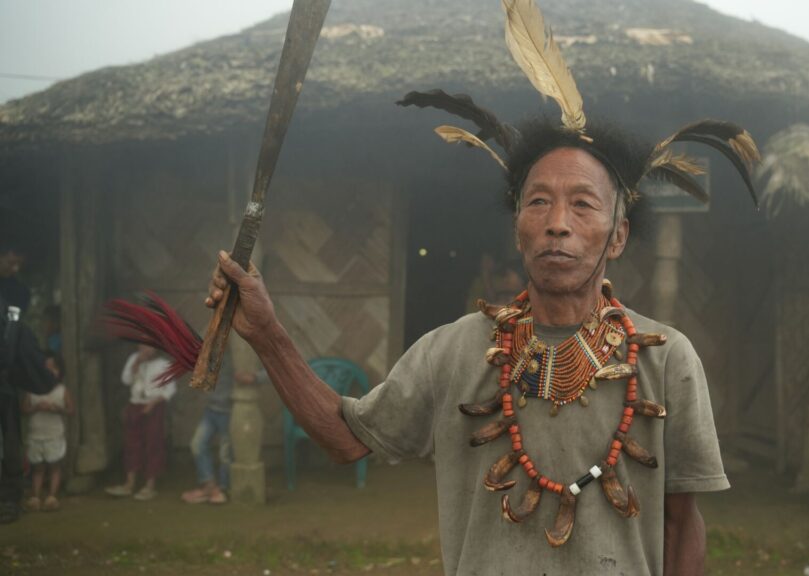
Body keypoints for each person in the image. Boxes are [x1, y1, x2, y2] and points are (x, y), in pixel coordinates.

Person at [202, 2, 757, 573]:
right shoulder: (454, 352)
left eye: (583, 204)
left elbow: (682, 521)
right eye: (538, 201)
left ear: (618, 236)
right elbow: (347, 439)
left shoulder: (666, 361)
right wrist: (267, 335)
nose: (557, 222)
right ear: (518, 230)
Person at [0, 241, 56, 524]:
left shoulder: (17, 293)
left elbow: (18, 335)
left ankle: (10, 502)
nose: (15, 268)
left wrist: (39, 365)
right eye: (11, 261)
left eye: (19, 264)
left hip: (5, 382)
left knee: (11, 445)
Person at [180, 353, 260, 506]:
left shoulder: (241, 355)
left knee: (226, 454)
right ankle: (209, 485)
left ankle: (223, 489)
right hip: (211, 410)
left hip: (231, 411)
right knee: (197, 444)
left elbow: (268, 372)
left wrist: (254, 378)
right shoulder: (212, 352)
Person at [105, 344, 176, 501]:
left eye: (149, 345)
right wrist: (137, 363)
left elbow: (170, 390)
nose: (145, 349)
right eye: (142, 345)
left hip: (154, 406)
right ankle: (129, 483)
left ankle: (149, 485)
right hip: (135, 405)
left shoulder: (164, 365)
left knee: (153, 443)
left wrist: (153, 403)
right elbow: (126, 380)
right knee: (132, 443)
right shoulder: (133, 359)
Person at [22, 352, 74, 511]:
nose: (51, 371)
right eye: (47, 368)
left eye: (54, 368)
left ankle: (52, 496)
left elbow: (71, 410)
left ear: (60, 371)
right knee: (37, 467)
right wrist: (36, 407)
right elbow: (24, 409)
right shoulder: (32, 390)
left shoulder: (62, 390)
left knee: (54, 466)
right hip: (36, 435)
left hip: (54, 435)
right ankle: (36, 497)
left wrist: (56, 408)